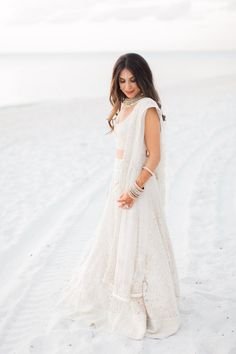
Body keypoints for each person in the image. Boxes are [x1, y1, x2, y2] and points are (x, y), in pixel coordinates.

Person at [54, 53, 182, 340]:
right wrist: (120, 188)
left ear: (143, 79)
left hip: (138, 184)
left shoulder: (147, 109)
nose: (127, 86)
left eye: (133, 80)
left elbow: (154, 156)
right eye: (122, 80)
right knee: (117, 239)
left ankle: (147, 305)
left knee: (141, 242)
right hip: (118, 180)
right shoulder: (124, 104)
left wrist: (134, 190)